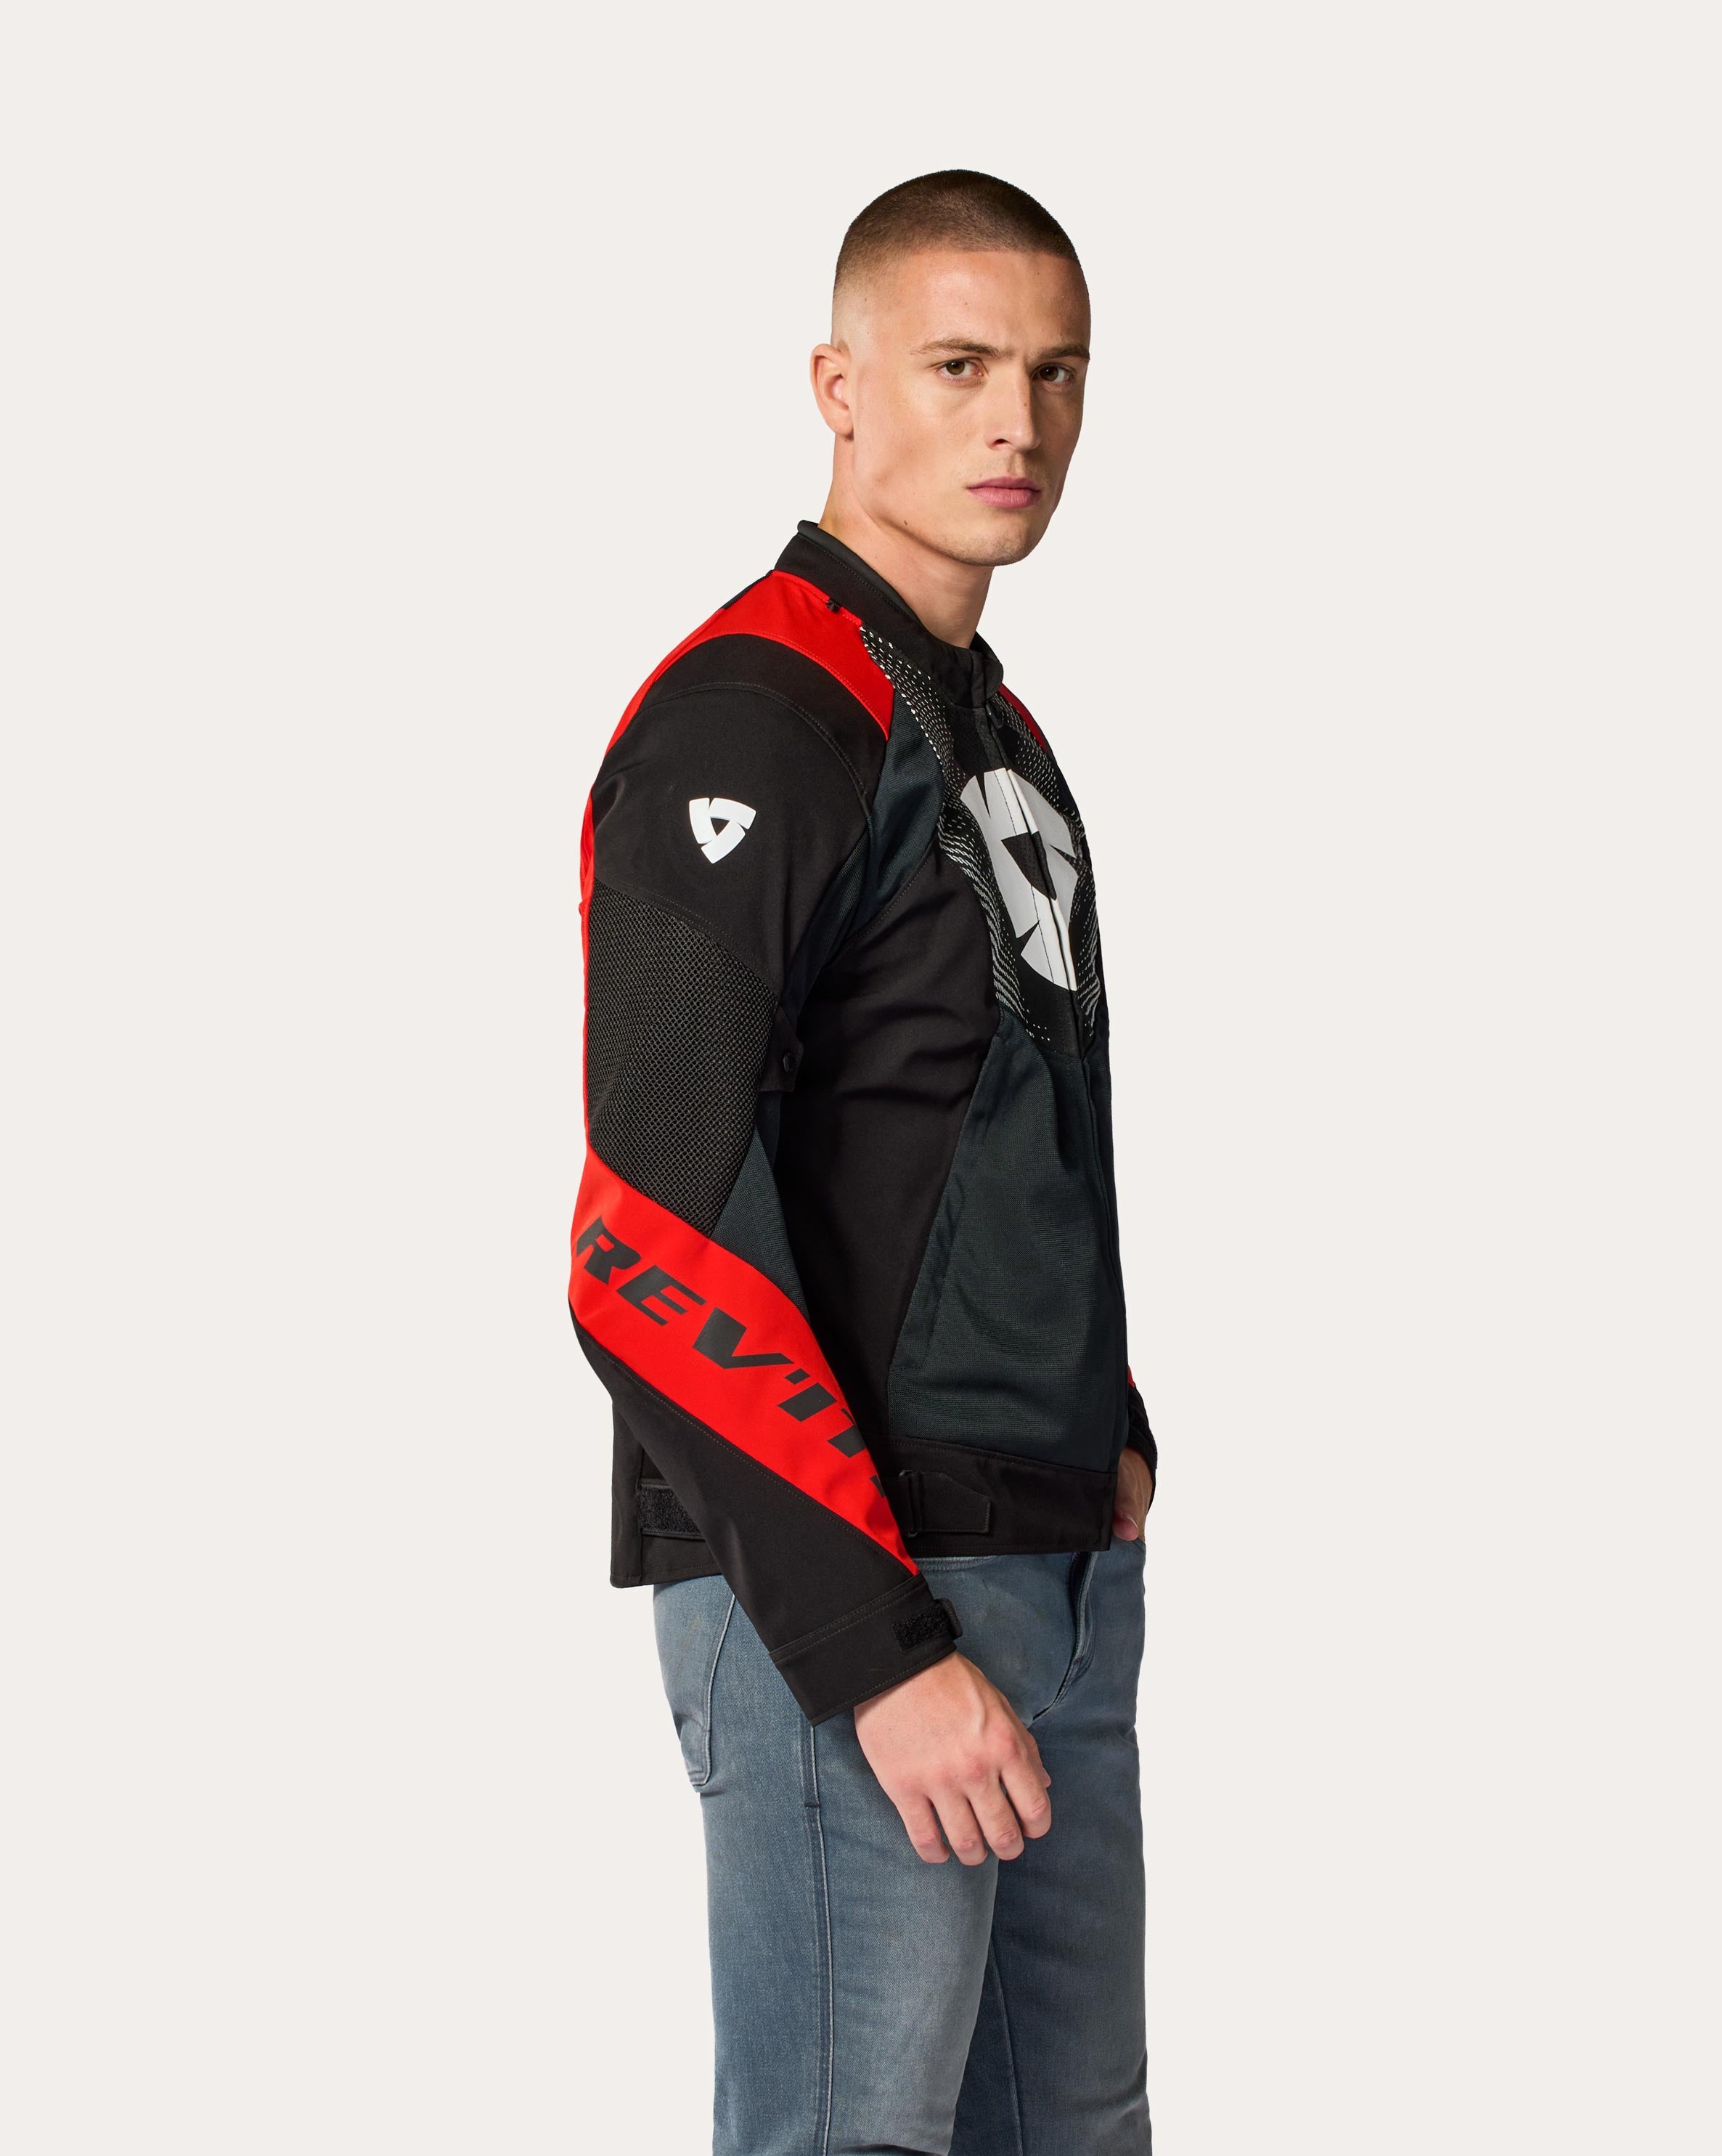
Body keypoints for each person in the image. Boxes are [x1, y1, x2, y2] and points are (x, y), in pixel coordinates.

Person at [567, 168, 1156, 2155]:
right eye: (960, 366)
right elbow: (648, 1229)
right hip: (859, 1590)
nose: (1020, 422)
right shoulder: (759, 714)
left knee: (1075, 2129)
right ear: (838, 386)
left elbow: (981, 1128)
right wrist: (875, 1648)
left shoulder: (988, 729)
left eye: (1057, 374)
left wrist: (1105, 1433)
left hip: (1043, 1565)